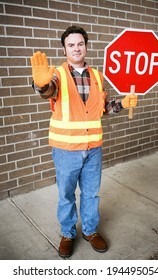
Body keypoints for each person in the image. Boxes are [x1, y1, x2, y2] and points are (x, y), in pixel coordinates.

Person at [31, 26, 137, 258]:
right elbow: (49, 90)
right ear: (64, 49)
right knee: (66, 194)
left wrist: (123, 104)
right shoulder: (57, 74)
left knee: (91, 193)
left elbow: (103, 109)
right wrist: (41, 85)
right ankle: (68, 234)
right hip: (66, 149)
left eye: (80, 44)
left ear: (86, 46)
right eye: (71, 45)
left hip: (93, 149)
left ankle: (90, 231)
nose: (76, 48)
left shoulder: (98, 76)